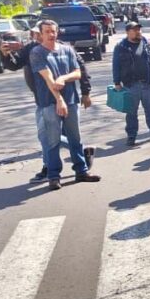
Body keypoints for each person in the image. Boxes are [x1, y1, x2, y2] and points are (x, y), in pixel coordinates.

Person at [4, 28, 94, 182]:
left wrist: (85, 92)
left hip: (69, 100)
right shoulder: (33, 50)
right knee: (47, 136)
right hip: (44, 100)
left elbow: (80, 69)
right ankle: (51, 171)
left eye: (50, 32)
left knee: (71, 136)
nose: (40, 36)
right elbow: (14, 65)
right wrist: (6, 55)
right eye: (38, 33)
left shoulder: (65, 49)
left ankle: (79, 167)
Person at [30, 20, 101, 191]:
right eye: (47, 31)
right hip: (49, 102)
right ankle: (54, 176)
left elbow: (77, 72)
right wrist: (59, 100)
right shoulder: (37, 52)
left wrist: (64, 78)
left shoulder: (67, 49)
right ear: (41, 34)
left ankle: (81, 171)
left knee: (75, 138)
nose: (51, 34)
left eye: (53, 31)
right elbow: (48, 79)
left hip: (71, 100)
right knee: (52, 141)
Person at [112, 21, 150, 146]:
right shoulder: (121, 47)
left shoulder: (148, 44)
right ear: (128, 32)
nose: (138, 31)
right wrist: (116, 82)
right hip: (131, 85)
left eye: (139, 29)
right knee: (131, 112)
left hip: (147, 83)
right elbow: (116, 65)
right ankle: (131, 136)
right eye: (134, 29)